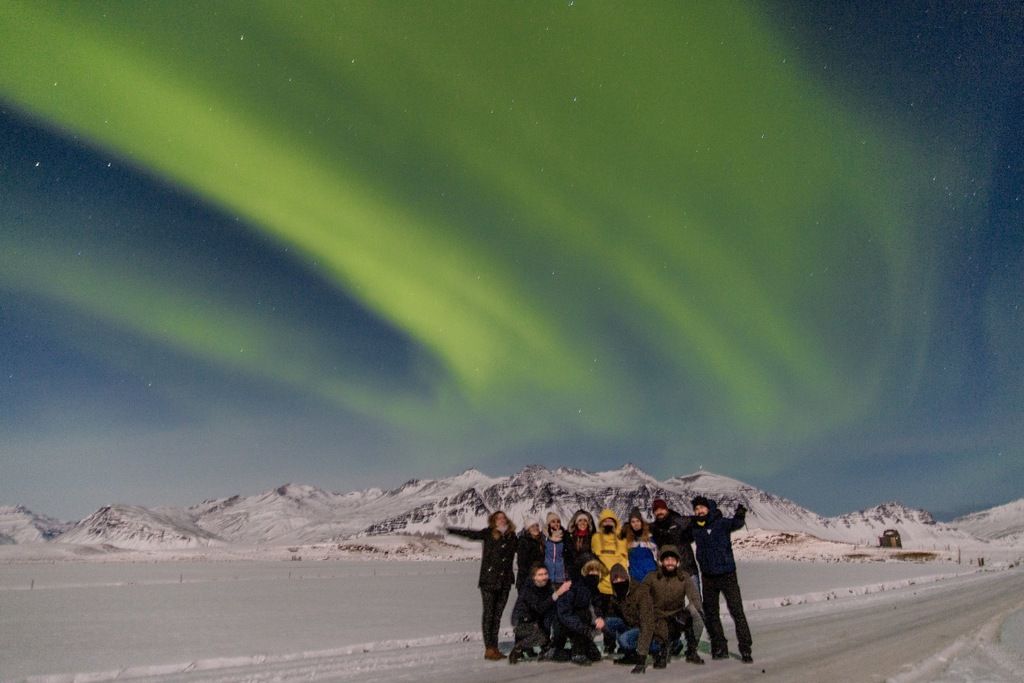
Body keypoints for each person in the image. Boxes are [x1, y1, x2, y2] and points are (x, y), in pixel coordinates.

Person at [446, 510, 518, 661]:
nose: (502, 520)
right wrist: (451, 530)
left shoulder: (512, 537)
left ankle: (495, 647)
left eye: (504, 517)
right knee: (488, 614)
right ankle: (489, 649)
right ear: (493, 521)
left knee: (497, 616)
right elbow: (470, 534)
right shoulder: (488, 533)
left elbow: (524, 549)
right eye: (498, 518)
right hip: (489, 581)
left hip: (505, 581)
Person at [691, 496, 753, 663]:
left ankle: (745, 648)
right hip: (708, 576)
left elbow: (737, 524)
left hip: (727, 575)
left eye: (701, 508)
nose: (699, 511)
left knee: (737, 611)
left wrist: (740, 514)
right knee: (711, 614)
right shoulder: (695, 528)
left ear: (709, 508)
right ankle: (719, 647)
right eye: (696, 509)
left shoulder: (721, 523)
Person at [648, 497, 702, 660]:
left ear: (667, 508)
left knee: (696, 609)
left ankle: (692, 647)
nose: (659, 512)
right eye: (656, 510)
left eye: (661, 509)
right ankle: (673, 642)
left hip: (688, 571)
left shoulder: (680, 521)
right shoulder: (655, 528)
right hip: (669, 574)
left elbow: (700, 520)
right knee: (670, 609)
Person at [644, 545, 705, 669]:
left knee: (697, 613)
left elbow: (695, 597)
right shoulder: (652, 577)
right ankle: (664, 649)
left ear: (677, 562)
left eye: (673, 559)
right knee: (658, 643)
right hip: (659, 618)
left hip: (678, 616)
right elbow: (642, 596)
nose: (670, 562)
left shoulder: (684, 577)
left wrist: (689, 611)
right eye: (666, 559)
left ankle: (692, 650)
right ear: (661, 562)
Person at [600, 562, 660, 674]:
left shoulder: (640, 592)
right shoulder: (616, 596)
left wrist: (642, 660)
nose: (619, 582)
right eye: (615, 580)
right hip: (632, 625)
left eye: (621, 579)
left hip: (650, 628)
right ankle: (630, 653)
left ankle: (656, 648)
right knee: (606, 623)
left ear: (626, 577)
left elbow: (647, 623)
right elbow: (612, 615)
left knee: (625, 639)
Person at [509, 563, 573, 663]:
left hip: (536, 620)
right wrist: (557, 593)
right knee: (541, 637)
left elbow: (549, 607)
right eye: (540, 575)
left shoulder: (547, 586)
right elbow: (539, 607)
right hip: (522, 622)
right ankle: (519, 647)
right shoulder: (528, 589)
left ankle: (545, 647)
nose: (544, 577)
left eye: (545, 574)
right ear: (534, 577)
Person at [554, 559, 606, 666]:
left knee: (595, 656)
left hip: (582, 626)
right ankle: (575, 652)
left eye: (597, 571)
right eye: (591, 571)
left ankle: (576, 650)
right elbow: (564, 613)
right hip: (566, 624)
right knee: (583, 615)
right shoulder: (574, 587)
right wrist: (582, 628)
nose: (594, 574)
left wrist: (600, 617)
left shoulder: (594, 589)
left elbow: (598, 605)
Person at [592, 508, 629, 654]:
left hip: (618, 585)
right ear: (601, 523)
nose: (608, 523)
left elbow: (624, 560)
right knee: (606, 618)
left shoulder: (621, 539)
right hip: (601, 586)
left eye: (610, 521)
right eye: (605, 521)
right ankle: (609, 644)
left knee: (621, 617)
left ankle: (623, 643)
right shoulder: (596, 538)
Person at [621, 507, 658, 582]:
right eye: (633, 522)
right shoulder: (626, 540)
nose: (636, 524)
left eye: (638, 521)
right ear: (630, 524)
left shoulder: (650, 536)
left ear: (641, 522)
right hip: (635, 578)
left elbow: (657, 555)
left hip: (651, 576)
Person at [563, 509, 596, 576]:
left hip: (588, 571)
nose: (582, 523)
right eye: (580, 520)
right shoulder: (568, 536)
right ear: (576, 522)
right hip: (572, 571)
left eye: (585, 521)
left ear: (588, 523)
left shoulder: (592, 537)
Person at [516, 517, 546, 591]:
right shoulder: (524, 542)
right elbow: (522, 564)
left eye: (537, 526)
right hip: (526, 580)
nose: (535, 528)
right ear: (528, 529)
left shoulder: (542, 541)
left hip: (539, 579)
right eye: (532, 526)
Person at [544, 512, 568, 588]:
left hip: (560, 575)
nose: (556, 524)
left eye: (558, 521)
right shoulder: (544, 537)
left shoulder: (564, 537)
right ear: (548, 524)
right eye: (553, 522)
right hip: (546, 574)